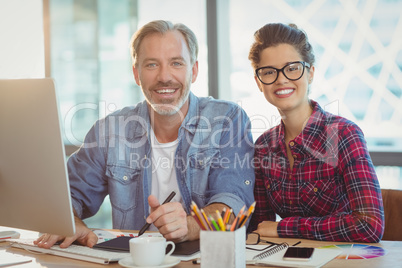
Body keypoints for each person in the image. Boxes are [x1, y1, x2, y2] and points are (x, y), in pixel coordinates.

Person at [35, 20, 255, 248]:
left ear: (194, 70)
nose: (164, 76)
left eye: (176, 63)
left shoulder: (227, 120)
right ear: (136, 74)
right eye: (151, 65)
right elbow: (66, 196)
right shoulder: (110, 131)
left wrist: (189, 225)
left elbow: (233, 205)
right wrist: (70, 223)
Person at [248, 23, 384, 242]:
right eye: (269, 72)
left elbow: (369, 225)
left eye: (292, 68)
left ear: (310, 73)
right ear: (258, 82)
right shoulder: (263, 146)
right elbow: (261, 227)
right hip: (284, 261)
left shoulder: (344, 134)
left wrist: (286, 228)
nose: (281, 79)